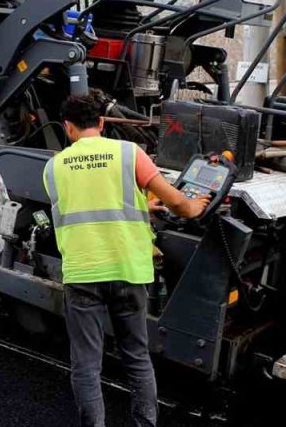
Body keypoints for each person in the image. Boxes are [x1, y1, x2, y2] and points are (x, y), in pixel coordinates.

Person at [43, 94, 209, 427]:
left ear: (68, 128)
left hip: (83, 273)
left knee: (87, 366)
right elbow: (174, 200)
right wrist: (194, 207)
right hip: (128, 271)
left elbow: (82, 203)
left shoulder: (54, 167)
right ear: (102, 123)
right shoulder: (129, 153)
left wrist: (136, 206)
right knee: (136, 358)